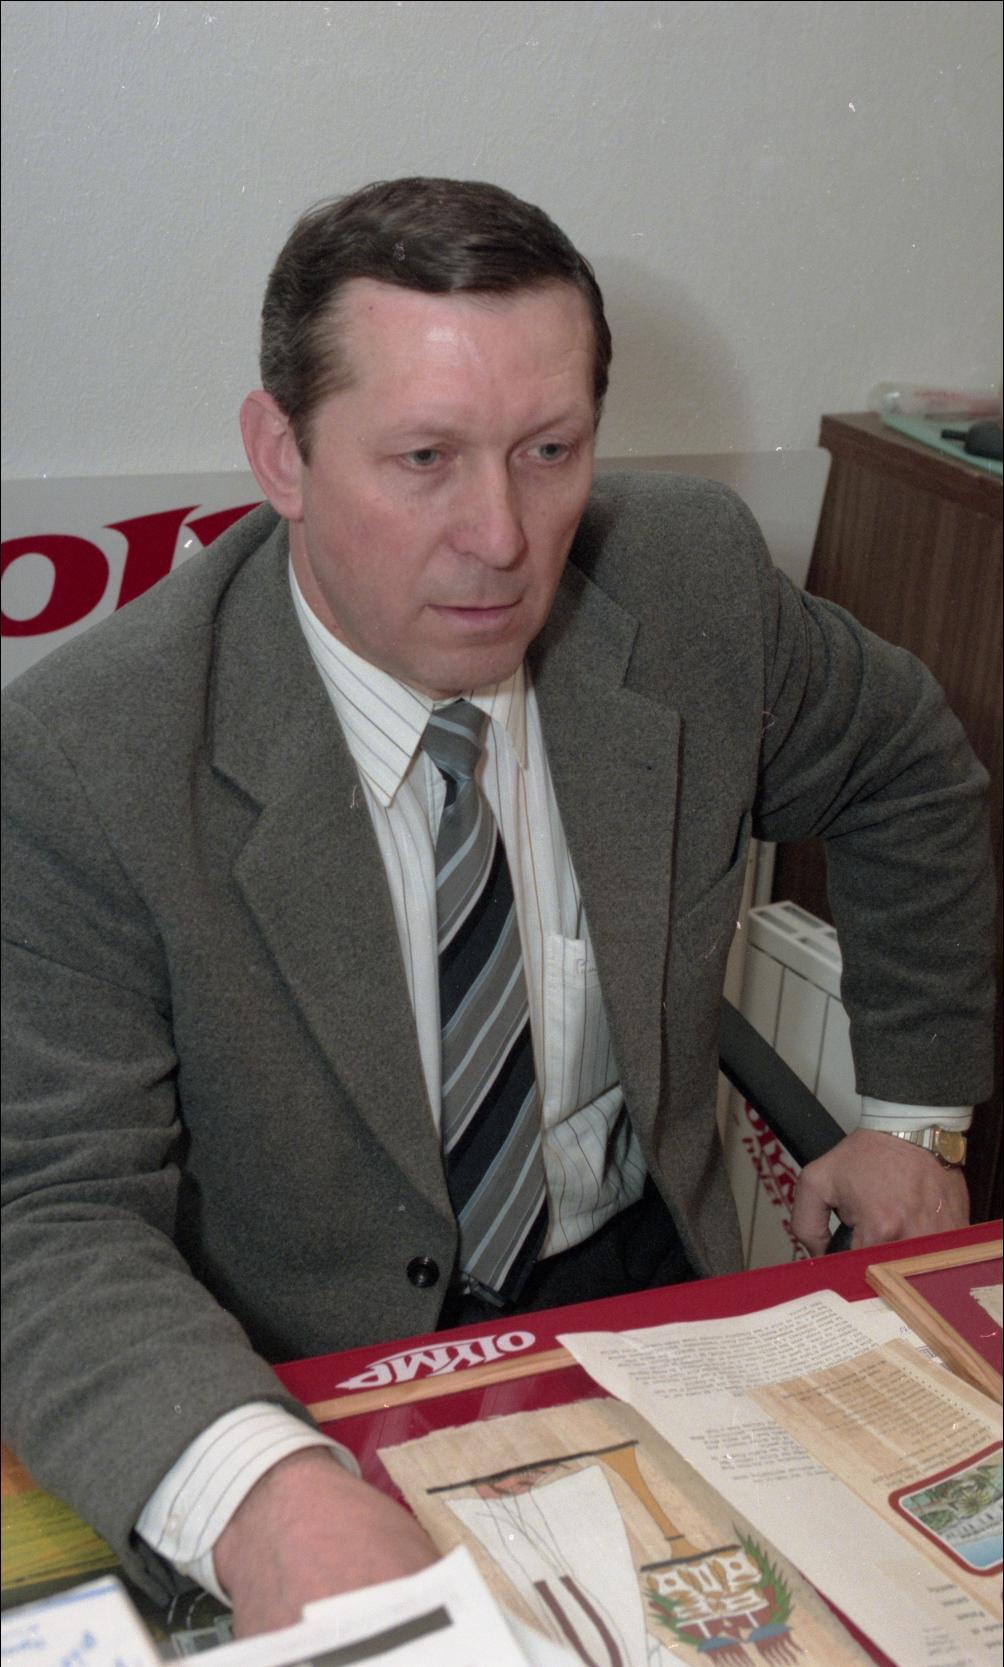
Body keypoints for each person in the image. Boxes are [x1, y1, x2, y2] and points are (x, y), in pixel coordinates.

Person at [1, 178, 993, 1639]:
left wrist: (916, 1123)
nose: (503, 536)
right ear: (280, 454)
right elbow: (45, 1209)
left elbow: (908, 769)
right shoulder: (87, 758)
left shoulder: (692, 580)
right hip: (298, 1365)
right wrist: (260, 1494)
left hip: (646, 1285)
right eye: (423, 458)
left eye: (550, 451)